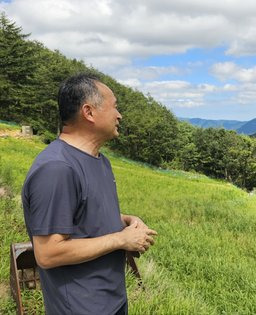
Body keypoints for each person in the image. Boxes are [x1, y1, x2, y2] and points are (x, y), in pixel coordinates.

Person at [22, 74, 157, 314]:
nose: (119, 115)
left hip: (110, 300)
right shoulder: (57, 169)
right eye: (114, 106)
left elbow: (84, 217)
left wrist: (125, 221)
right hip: (80, 307)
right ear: (89, 112)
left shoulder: (98, 160)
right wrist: (120, 239)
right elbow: (48, 253)